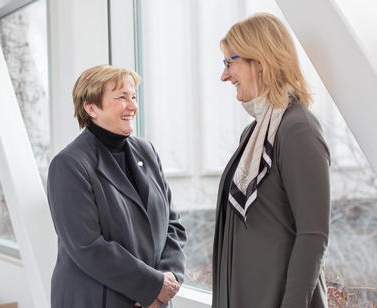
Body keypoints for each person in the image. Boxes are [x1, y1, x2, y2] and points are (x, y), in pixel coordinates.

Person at [212, 13, 330, 308]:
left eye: (230, 63)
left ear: (260, 61)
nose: (224, 75)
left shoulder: (297, 129)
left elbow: (313, 235)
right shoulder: (252, 135)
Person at [47, 64, 186, 308]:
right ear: (91, 108)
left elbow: (173, 225)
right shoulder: (68, 164)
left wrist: (168, 279)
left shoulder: (147, 151)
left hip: (154, 299)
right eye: (121, 97)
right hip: (96, 299)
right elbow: (87, 246)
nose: (133, 106)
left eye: (133, 96)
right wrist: (152, 286)